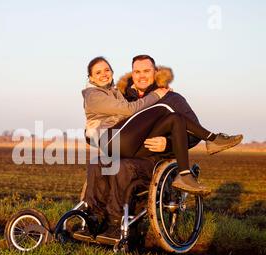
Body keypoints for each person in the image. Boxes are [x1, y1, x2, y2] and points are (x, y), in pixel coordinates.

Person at [82, 56, 243, 237]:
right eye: (137, 72)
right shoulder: (124, 98)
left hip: (152, 158)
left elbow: (192, 136)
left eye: (147, 71)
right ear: (131, 74)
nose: (142, 76)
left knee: (125, 166)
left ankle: (118, 226)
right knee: (98, 163)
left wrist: (168, 143)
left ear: (156, 73)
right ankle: (93, 220)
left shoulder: (172, 98)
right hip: (126, 150)